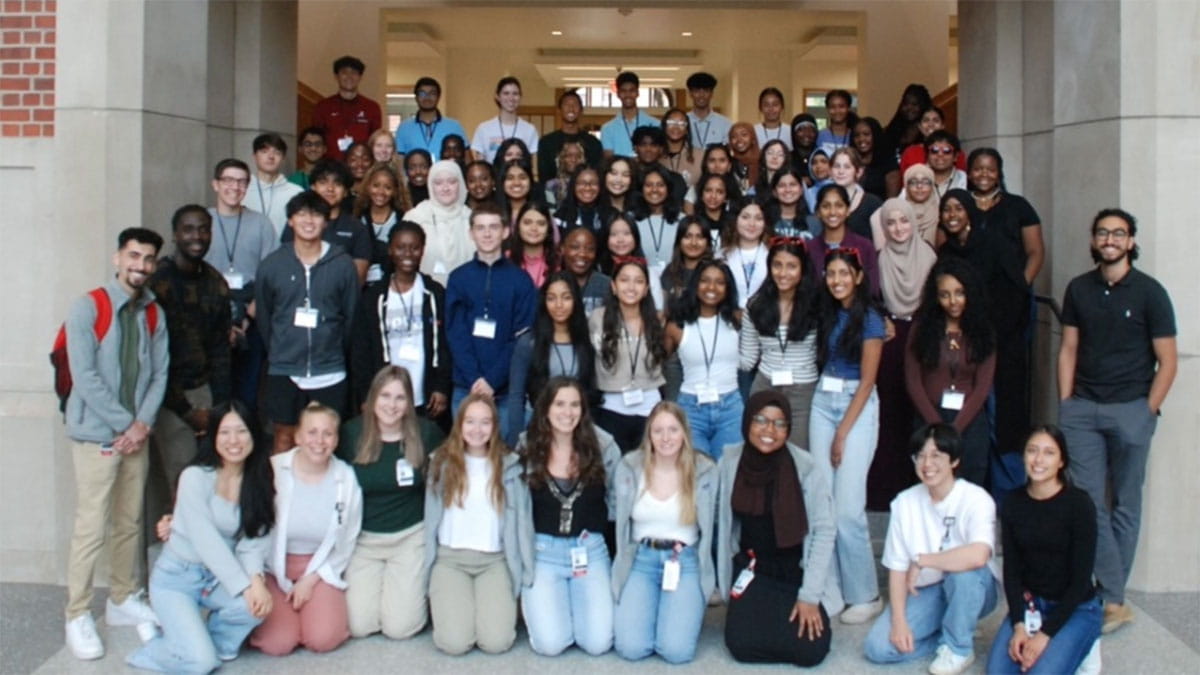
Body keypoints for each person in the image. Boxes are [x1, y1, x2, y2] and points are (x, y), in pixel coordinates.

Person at [1058, 208, 1176, 634]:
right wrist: (1066, 403)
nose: (1109, 239)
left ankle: (1110, 597)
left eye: (1118, 233)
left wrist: (1147, 411)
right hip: (1083, 409)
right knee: (1090, 504)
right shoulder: (1078, 289)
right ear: (1093, 240)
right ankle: (1114, 598)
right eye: (1103, 232)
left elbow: (1167, 360)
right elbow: (1068, 349)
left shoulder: (1150, 293)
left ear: (1130, 241)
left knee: (1126, 503)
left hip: (1132, 409)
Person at [62, 227, 167, 661]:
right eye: (133, 256)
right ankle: (77, 613)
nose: (139, 266)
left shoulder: (154, 313)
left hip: (135, 436)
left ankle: (123, 597)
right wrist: (127, 424)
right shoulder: (88, 307)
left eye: (147, 259)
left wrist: (141, 425)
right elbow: (84, 377)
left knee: (128, 521)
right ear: (117, 257)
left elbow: (160, 373)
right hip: (97, 436)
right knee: (91, 527)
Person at [126, 401, 274, 673]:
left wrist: (256, 580)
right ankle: (159, 646)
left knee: (253, 608)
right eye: (224, 432)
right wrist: (243, 586)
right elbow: (206, 541)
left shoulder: (259, 481)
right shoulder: (195, 477)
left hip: (217, 580)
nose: (234, 441)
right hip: (177, 579)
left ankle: (203, 645)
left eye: (241, 432)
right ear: (213, 437)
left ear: (253, 434)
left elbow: (256, 538)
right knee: (202, 663)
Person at [863, 424, 1000, 675]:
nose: (927, 463)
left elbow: (979, 555)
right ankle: (949, 636)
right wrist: (899, 622)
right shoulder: (904, 503)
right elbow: (896, 568)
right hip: (926, 592)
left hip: (974, 588)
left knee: (963, 574)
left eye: (937, 455)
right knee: (878, 648)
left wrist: (923, 560)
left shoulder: (976, 498)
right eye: (921, 456)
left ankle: (959, 648)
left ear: (955, 460)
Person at [717, 391, 835, 667]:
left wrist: (809, 597)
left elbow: (824, 530)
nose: (769, 430)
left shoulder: (805, 466)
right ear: (747, 422)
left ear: (788, 429)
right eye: (761, 420)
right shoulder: (730, 462)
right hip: (752, 568)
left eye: (779, 423)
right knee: (741, 645)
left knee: (811, 651)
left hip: (795, 570)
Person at [337, 366, 445, 640]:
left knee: (400, 628)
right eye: (385, 396)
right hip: (364, 541)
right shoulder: (351, 434)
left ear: (409, 402)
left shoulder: (426, 432)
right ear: (373, 398)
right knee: (360, 626)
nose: (392, 405)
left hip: (410, 539)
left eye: (400, 397)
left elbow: (452, 469)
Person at [515, 378, 620, 656]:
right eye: (559, 404)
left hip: (589, 550)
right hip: (543, 553)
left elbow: (617, 502)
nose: (567, 412)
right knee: (551, 645)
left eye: (575, 405)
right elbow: (516, 505)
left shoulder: (604, 445)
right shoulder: (527, 446)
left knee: (598, 644)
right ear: (546, 409)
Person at [986, 425, 1103, 675]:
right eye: (1032, 451)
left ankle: (1087, 646)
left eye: (1049, 453)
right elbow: (1013, 571)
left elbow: (1081, 579)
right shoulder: (1013, 502)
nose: (1039, 460)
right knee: (998, 672)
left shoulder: (1079, 504)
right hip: (1032, 606)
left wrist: (1044, 635)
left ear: (1061, 461)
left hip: (1076, 607)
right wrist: (1018, 625)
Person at [810, 248, 885, 625]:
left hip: (857, 404)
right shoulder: (824, 312)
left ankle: (866, 594)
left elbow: (868, 379)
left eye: (844, 273)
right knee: (823, 502)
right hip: (823, 400)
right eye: (831, 273)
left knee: (848, 508)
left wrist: (842, 433)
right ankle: (831, 591)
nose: (837, 280)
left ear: (858, 276)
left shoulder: (870, 319)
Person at [251, 403, 362, 656]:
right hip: (272, 566)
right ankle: (290, 621)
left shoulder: (346, 478)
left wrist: (310, 580)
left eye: (328, 434)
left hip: (319, 568)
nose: (319, 441)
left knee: (324, 639)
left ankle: (306, 616)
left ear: (336, 440)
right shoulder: (273, 470)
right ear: (298, 436)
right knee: (277, 644)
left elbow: (348, 539)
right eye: (312, 433)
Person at [146, 206, 232, 527]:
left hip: (207, 393)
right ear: (175, 234)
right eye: (188, 229)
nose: (197, 237)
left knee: (212, 479)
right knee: (180, 481)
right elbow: (153, 358)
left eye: (203, 229)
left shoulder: (215, 283)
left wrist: (220, 407)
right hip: (169, 398)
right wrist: (185, 410)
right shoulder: (157, 283)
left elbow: (222, 349)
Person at [612, 401, 717, 663]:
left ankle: (677, 611)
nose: (666, 438)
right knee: (630, 648)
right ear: (649, 434)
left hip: (684, 561)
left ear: (684, 433)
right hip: (641, 559)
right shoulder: (630, 466)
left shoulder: (704, 470)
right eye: (658, 430)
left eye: (673, 429)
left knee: (676, 651)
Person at [256, 192, 359, 454]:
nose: (309, 220)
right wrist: (281, 348)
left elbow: (350, 317)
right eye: (301, 214)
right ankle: (281, 494)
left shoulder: (343, 263)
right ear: (290, 220)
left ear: (326, 222)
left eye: (316, 214)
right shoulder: (272, 265)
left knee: (329, 439)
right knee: (283, 438)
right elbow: (265, 316)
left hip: (330, 369)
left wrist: (333, 348)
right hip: (284, 367)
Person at [423, 394, 525, 655]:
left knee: (496, 642)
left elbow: (522, 522)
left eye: (485, 422)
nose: (477, 430)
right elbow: (430, 519)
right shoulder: (440, 462)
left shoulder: (510, 466)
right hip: (450, 560)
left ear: (494, 426)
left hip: (494, 561)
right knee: (455, 643)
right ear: (459, 424)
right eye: (470, 421)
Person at [967, 147, 1045, 459]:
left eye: (990, 169)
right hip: (969, 308)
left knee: (1009, 385)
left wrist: (1021, 284)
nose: (983, 174)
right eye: (977, 169)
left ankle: (1008, 468)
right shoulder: (960, 205)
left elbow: (1036, 252)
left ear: (999, 172)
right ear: (969, 172)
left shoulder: (1019, 207)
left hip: (1010, 308)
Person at [445, 203, 537, 441]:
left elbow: (521, 337)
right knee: (466, 459)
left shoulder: (521, 280)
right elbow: (456, 333)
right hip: (466, 387)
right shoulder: (458, 278)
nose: (487, 234)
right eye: (480, 228)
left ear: (505, 232)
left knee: (506, 461)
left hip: (507, 390)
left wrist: (492, 381)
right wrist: (475, 379)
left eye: (493, 227)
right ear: (471, 233)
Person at [868, 199, 938, 510]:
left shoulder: (930, 258)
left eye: (904, 221)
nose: (898, 228)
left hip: (922, 337)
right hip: (890, 339)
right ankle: (886, 490)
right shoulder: (877, 260)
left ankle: (923, 486)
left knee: (919, 410)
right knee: (889, 413)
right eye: (891, 222)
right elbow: (871, 299)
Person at [349, 221, 452, 424]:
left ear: (423, 250)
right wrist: (366, 394)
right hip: (386, 395)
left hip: (426, 393)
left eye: (414, 248)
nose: (408, 254)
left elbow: (445, 344)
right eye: (400, 247)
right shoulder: (373, 297)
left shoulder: (435, 293)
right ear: (390, 250)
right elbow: (361, 350)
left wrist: (441, 386)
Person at [906, 258, 996, 489]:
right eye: (945, 294)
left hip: (970, 421)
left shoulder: (983, 330)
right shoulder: (921, 327)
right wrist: (937, 427)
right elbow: (913, 381)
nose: (953, 301)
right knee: (930, 489)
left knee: (968, 492)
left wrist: (954, 430)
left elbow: (983, 386)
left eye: (959, 293)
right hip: (928, 418)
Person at [205, 159, 277, 419]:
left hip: (251, 316)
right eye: (228, 180)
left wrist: (247, 318)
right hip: (210, 321)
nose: (234, 187)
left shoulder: (261, 224)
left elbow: (269, 278)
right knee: (214, 396)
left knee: (247, 394)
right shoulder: (203, 222)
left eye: (241, 181)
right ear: (216, 184)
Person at [741, 236, 820, 449]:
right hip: (765, 385)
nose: (783, 273)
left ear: (803, 269)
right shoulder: (755, 305)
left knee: (798, 453)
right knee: (760, 450)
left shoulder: (817, 305)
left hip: (803, 389)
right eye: (777, 265)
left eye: (791, 266)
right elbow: (747, 361)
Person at [506, 272, 599, 445]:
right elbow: (516, 396)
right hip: (537, 428)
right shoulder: (528, 342)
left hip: (578, 428)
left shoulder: (587, 341)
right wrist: (515, 441)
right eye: (551, 298)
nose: (559, 305)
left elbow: (591, 390)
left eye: (566, 297)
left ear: (576, 301)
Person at [664, 260, 743, 460]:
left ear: (728, 288)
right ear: (695, 285)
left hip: (730, 408)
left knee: (728, 474)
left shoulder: (737, 319)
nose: (711, 288)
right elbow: (658, 363)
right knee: (697, 475)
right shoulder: (676, 326)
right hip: (691, 408)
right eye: (705, 281)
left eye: (719, 282)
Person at [590, 257, 667, 452]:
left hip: (649, 406)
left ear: (647, 289)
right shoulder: (598, 318)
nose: (631, 287)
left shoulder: (656, 321)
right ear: (613, 286)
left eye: (639, 281)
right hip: (611, 406)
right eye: (624, 280)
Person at [285, 159, 373, 285]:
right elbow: (285, 265)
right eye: (323, 182)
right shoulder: (299, 223)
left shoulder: (357, 228)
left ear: (346, 192)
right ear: (313, 187)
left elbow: (357, 278)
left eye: (337, 184)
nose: (330, 188)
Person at [400, 159, 473, 287]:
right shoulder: (415, 217)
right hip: (426, 291)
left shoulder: (471, 218)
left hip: (468, 290)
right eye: (438, 183)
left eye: (452, 182)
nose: (445, 188)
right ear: (430, 185)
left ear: (461, 184)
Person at [807, 184, 881, 298]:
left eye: (839, 206)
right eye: (826, 206)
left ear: (848, 211)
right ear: (818, 212)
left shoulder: (865, 246)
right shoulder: (809, 249)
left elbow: (872, 290)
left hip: (857, 313)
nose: (832, 212)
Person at [311, 56, 381, 162]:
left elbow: (376, 142)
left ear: (360, 77)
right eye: (344, 72)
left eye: (354, 73)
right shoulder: (322, 106)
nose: (349, 77)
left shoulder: (372, 107)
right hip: (331, 167)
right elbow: (316, 140)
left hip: (361, 167)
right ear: (336, 76)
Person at [354, 163, 412, 284]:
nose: (381, 192)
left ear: (395, 191)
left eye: (388, 187)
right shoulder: (357, 218)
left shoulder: (403, 219)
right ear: (368, 186)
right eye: (376, 185)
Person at [394, 76, 467, 163]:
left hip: (446, 175)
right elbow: (399, 160)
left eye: (432, 94)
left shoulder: (454, 126)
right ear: (416, 97)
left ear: (438, 97)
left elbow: (466, 157)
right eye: (422, 94)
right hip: (414, 175)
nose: (427, 98)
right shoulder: (404, 128)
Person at [245, 133, 305, 238]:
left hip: (283, 251)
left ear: (283, 158)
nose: (271, 157)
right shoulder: (242, 189)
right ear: (254, 156)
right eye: (264, 152)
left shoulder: (295, 192)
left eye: (277, 153)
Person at [539, 89, 603, 184]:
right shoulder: (546, 142)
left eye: (575, 105)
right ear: (559, 110)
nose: (571, 108)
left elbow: (597, 176)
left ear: (581, 110)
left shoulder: (593, 143)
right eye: (566, 105)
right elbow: (544, 178)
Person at [471, 76, 540, 164]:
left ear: (520, 97)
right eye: (506, 93)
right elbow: (480, 162)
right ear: (498, 97)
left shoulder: (529, 129)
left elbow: (532, 162)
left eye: (515, 94)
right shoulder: (484, 128)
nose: (511, 98)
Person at [717, 198, 770, 310]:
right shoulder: (721, 256)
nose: (752, 224)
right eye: (745, 217)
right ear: (735, 220)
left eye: (758, 218)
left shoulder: (773, 255)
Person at [874, 163, 940, 249]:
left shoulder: (941, 212)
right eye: (913, 182)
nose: (919, 186)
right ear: (906, 185)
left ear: (932, 185)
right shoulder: (894, 214)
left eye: (925, 182)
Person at [601, 71, 659, 159]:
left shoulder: (655, 124)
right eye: (623, 91)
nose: (628, 95)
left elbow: (659, 154)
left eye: (631, 90)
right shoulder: (608, 129)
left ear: (637, 93)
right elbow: (609, 159)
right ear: (618, 94)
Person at [898, 106, 967, 177]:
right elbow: (905, 181)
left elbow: (961, 179)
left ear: (943, 125)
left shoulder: (954, 151)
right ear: (920, 126)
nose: (930, 124)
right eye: (926, 120)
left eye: (936, 120)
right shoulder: (910, 152)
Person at [632, 126, 687, 208]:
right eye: (643, 144)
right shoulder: (628, 179)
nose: (648, 149)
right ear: (635, 148)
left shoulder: (675, 179)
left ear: (661, 149)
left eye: (653, 145)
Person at [560, 226, 611, 314]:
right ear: (562, 249)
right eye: (575, 247)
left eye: (590, 249)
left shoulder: (607, 285)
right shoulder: (553, 283)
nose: (582, 254)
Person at [508, 201, 557, 289]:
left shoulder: (559, 260)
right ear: (518, 227)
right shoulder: (506, 259)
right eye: (527, 222)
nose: (534, 228)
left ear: (548, 229)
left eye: (541, 223)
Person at [853, 117, 899, 199]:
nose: (861, 139)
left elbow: (891, 199)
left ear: (875, 135)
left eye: (866, 134)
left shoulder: (888, 162)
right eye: (857, 135)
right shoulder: (850, 160)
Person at [883, 84, 933, 156]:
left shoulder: (928, 132)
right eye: (906, 103)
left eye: (914, 104)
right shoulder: (893, 129)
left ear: (923, 106)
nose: (909, 108)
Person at [685, 71, 731, 148]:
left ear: (712, 93)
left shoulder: (725, 123)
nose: (701, 95)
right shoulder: (683, 121)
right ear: (690, 93)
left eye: (706, 91)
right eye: (697, 91)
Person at [660, 107, 702, 189]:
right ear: (664, 127)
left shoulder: (700, 156)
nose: (676, 127)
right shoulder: (656, 155)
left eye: (681, 123)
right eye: (671, 122)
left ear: (687, 130)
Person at [554, 166, 604, 233]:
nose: (587, 188)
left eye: (594, 183)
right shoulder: (561, 217)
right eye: (581, 183)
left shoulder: (610, 216)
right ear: (573, 186)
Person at [764, 166, 810, 239]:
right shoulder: (764, 221)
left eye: (792, 184)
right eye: (782, 185)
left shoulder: (814, 222)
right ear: (774, 192)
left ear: (801, 190)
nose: (788, 190)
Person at [496, 160, 538, 230]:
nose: (517, 183)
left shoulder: (541, 213)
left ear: (531, 182)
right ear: (502, 183)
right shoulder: (493, 214)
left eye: (522, 178)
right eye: (510, 178)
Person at [816, 89, 856, 156]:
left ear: (848, 108)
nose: (837, 110)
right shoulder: (820, 136)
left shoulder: (855, 136)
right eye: (832, 107)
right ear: (827, 109)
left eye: (841, 106)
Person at [599, 156, 639, 222]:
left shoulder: (640, 205)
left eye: (625, 175)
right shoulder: (595, 206)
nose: (618, 180)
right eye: (613, 173)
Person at [728, 122, 760, 195]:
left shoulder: (763, 161)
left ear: (753, 138)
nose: (739, 139)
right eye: (734, 136)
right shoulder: (729, 163)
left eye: (744, 135)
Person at [790, 113, 819, 180]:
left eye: (811, 130)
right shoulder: (787, 159)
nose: (806, 134)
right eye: (801, 130)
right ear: (794, 133)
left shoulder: (822, 157)